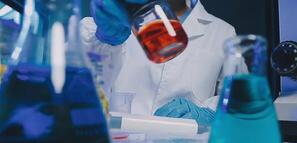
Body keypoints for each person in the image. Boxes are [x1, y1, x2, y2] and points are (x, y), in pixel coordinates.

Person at [80, 0, 246, 127]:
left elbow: (242, 99)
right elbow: (76, 92)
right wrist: (105, 40)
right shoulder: (99, 25)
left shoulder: (222, 32)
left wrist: (210, 113)